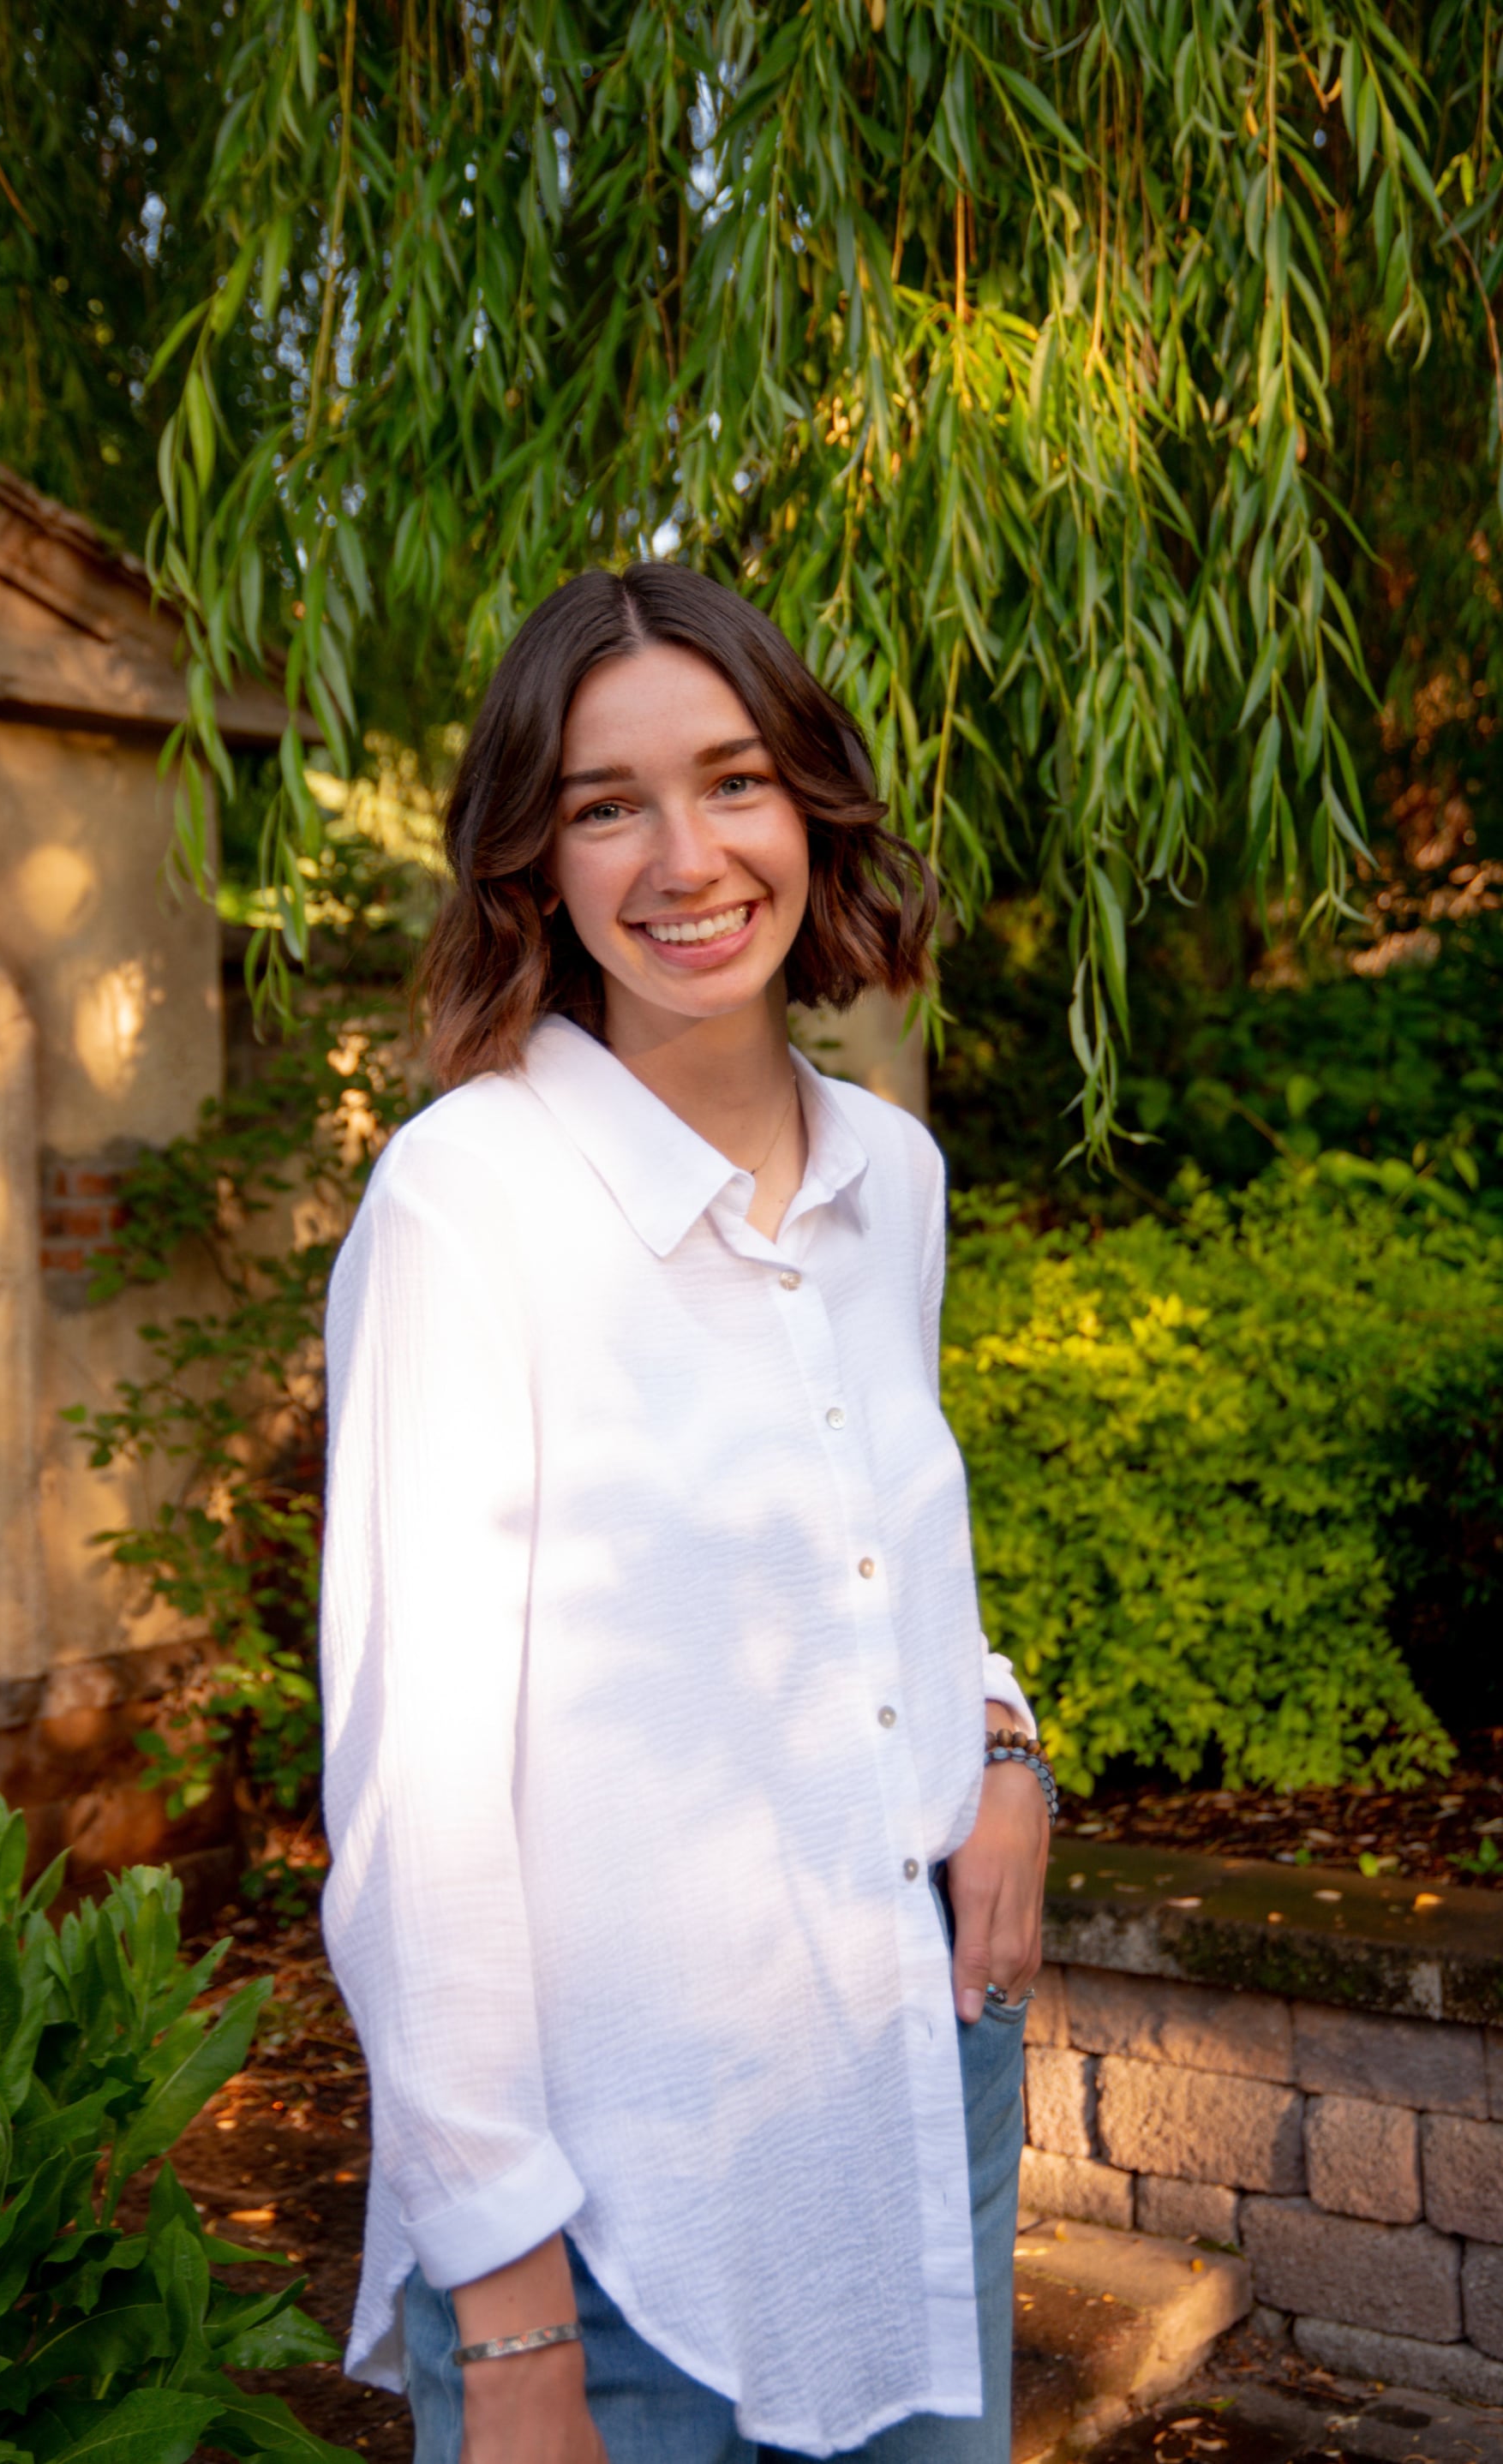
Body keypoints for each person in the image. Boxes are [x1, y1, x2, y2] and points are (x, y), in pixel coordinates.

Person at [320, 564, 1055, 2464]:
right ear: (530, 863)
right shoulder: (464, 1206)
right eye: (602, 802)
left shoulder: (890, 1172)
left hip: (916, 2083)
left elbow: (878, 1529)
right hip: (615, 2182)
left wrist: (1002, 1737)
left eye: (731, 779)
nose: (684, 854)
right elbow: (420, 1816)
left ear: (807, 802)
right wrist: (509, 2325)